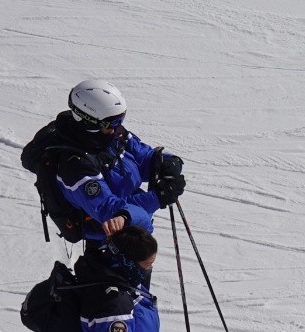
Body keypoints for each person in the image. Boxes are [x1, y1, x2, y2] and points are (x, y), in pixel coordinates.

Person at [20, 79, 186, 244]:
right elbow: (110, 211)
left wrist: (163, 162)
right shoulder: (75, 166)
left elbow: (142, 157)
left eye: (120, 120)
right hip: (110, 238)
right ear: (89, 123)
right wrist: (158, 197)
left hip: (136, 219)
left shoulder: (108, 134)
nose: (116, 127)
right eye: (113, 123)